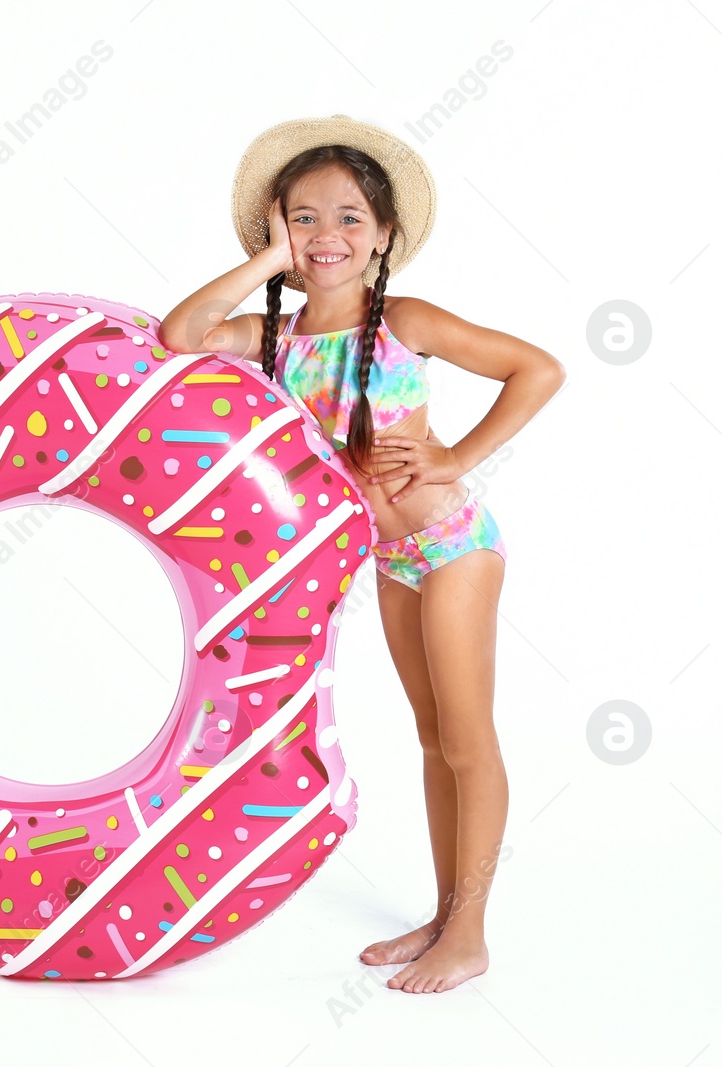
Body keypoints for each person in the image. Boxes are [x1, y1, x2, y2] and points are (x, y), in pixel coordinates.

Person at [161, 116, 565, 993]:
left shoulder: (408, 322)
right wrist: (266, 266)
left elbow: (537, 367)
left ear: (384, 235)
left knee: (466, 737)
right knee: (430, 739)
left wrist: (455, 457)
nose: (326, 236)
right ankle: (444, 912)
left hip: (453, 546)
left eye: (349, 217)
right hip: (388, 562)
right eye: (302, 219)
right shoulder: (272, 343)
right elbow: (181, 336)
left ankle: (472, 932)